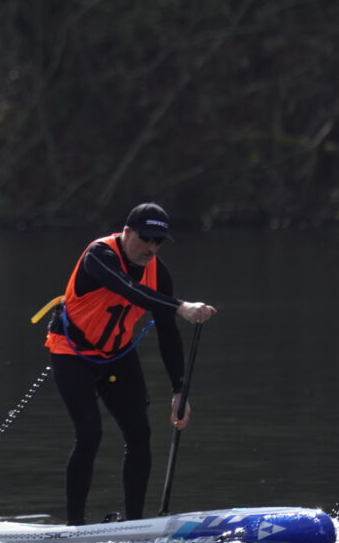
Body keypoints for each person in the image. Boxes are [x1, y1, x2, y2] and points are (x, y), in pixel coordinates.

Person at [44, 202, 216, 525]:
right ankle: (74, 526)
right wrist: (181, 306)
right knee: (89, 434)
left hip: (117, 356)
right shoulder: (99, 255)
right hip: (71, 354)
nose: (151, 247)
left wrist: (179, 390)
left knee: (139, 433)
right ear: (126, 232)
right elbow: (129, 289)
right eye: (144, 238)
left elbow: (167, 333)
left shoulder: (158, 273)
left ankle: (136, 524)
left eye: (158, 241)